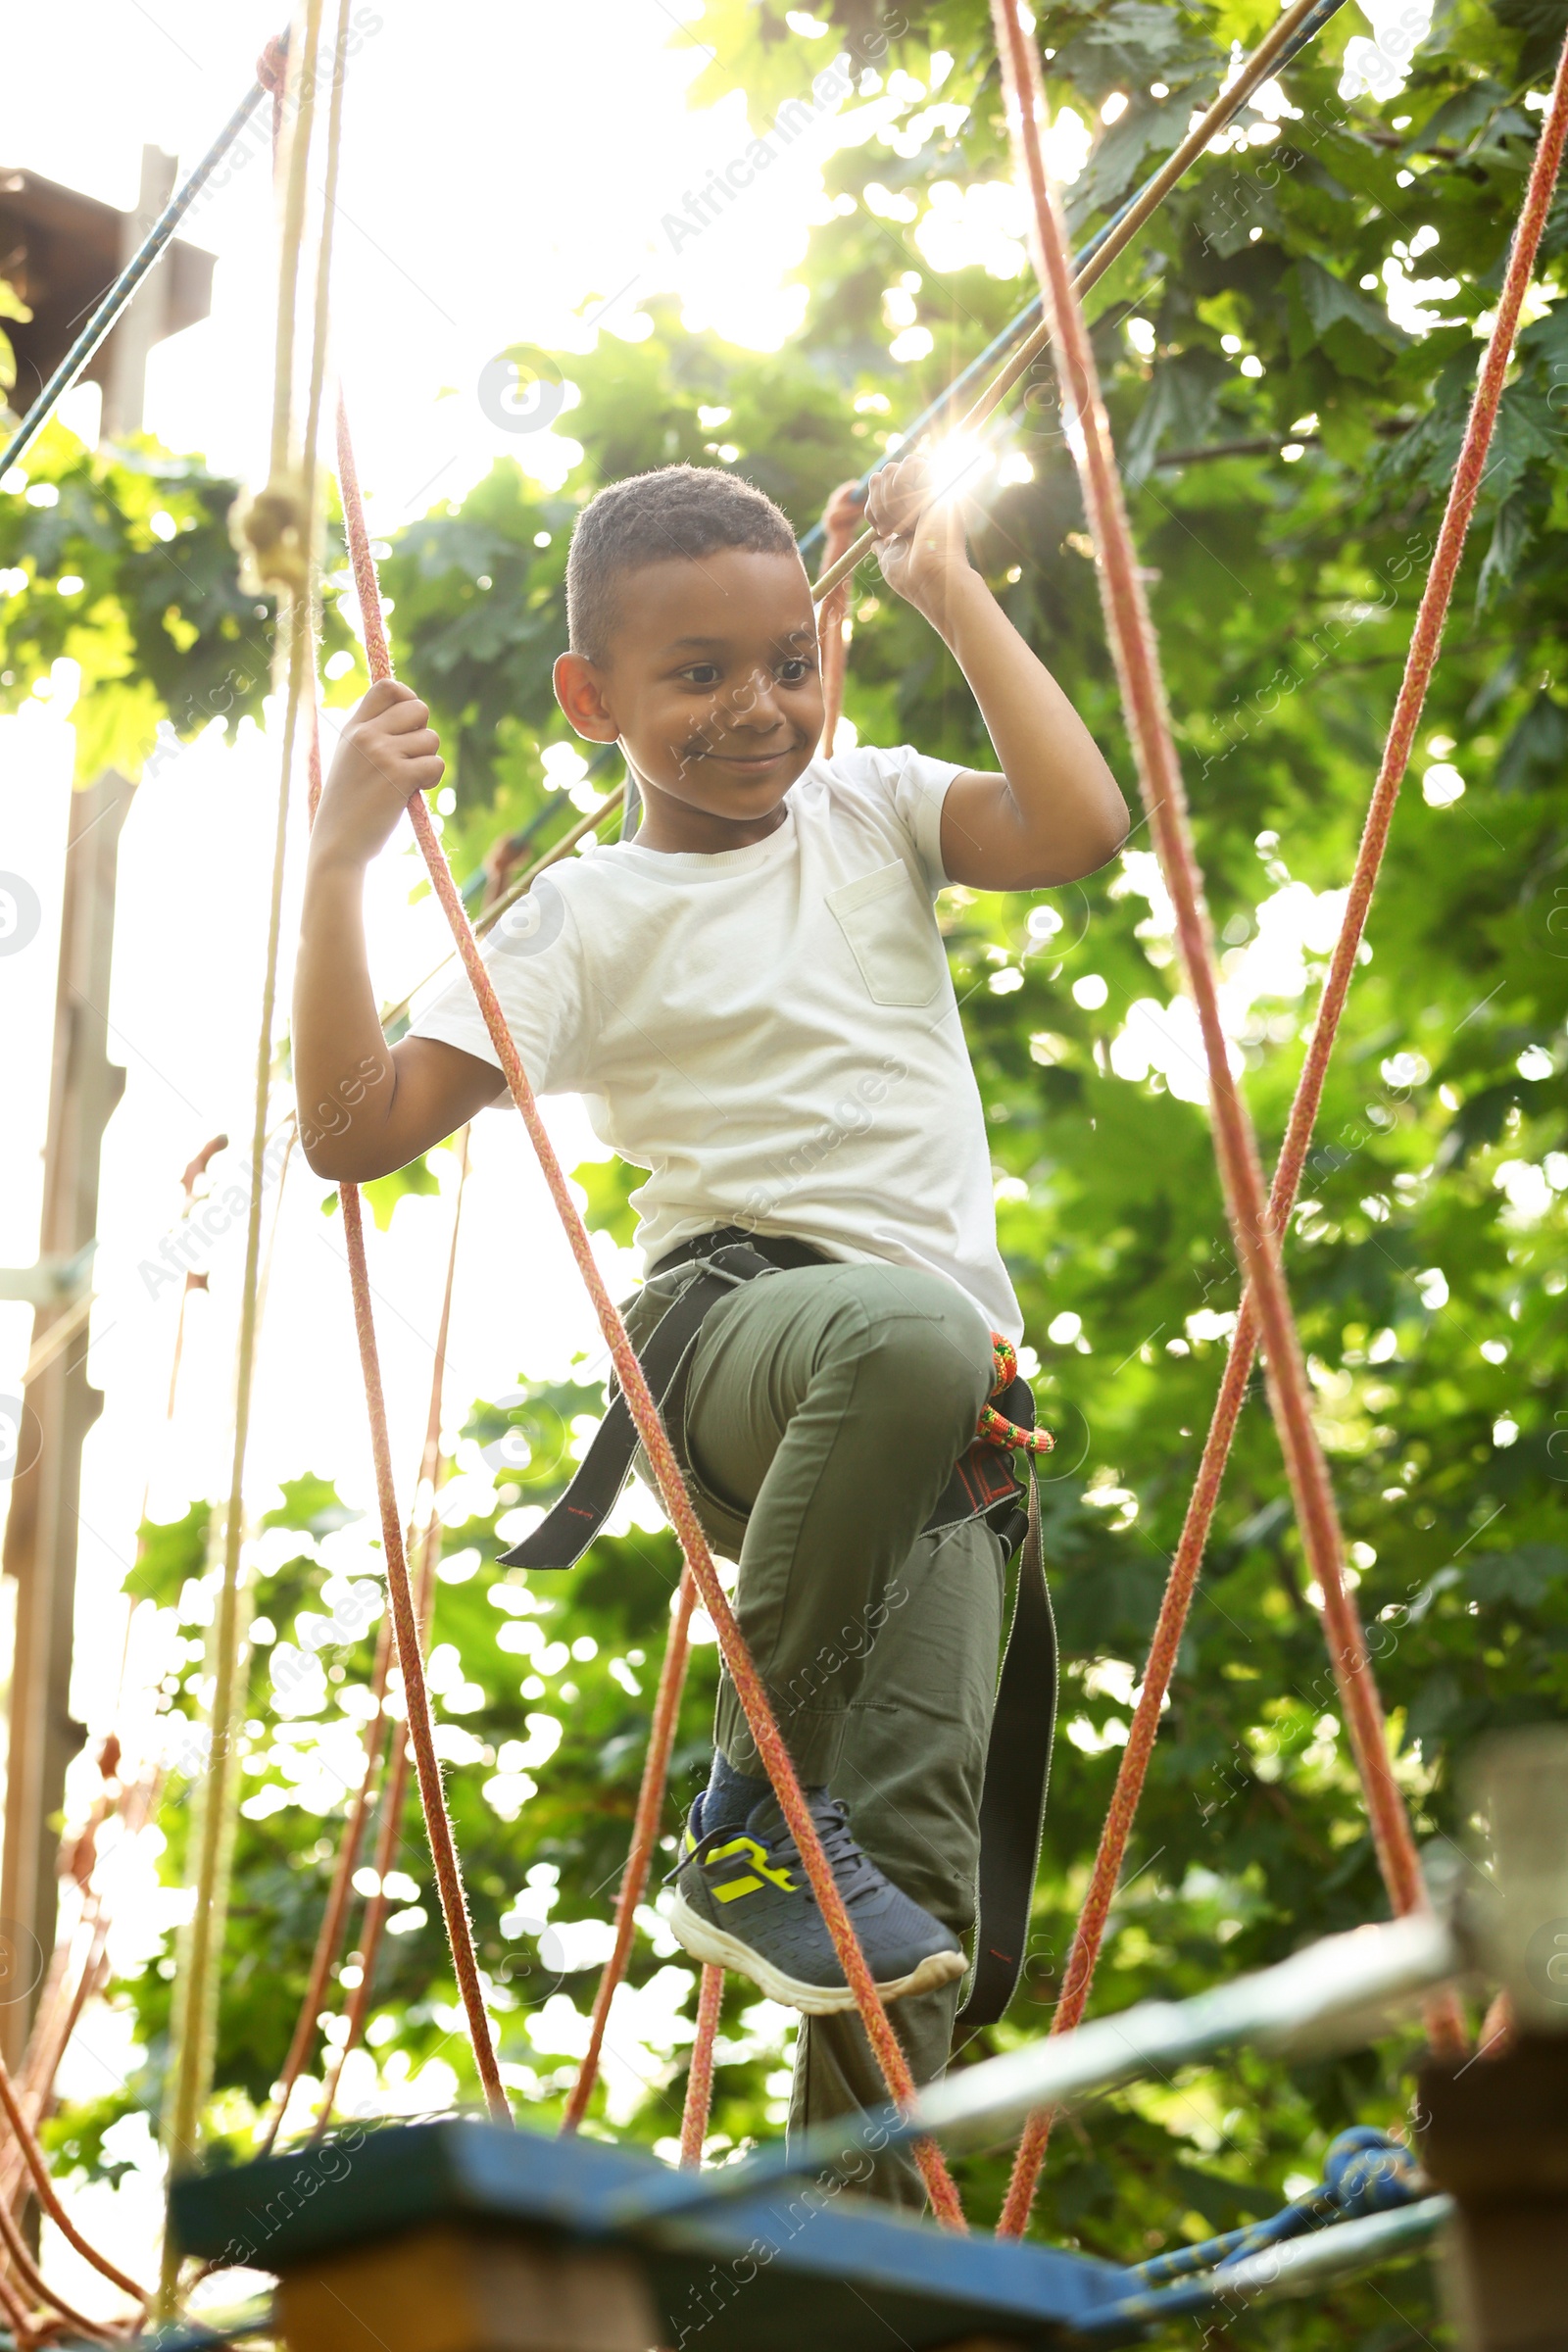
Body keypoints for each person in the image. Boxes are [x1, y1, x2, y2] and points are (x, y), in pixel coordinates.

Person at [293, 455, 1127, 2200]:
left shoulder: (875, 811)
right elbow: (354, 1125)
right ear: (590, 697)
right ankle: (747, 1811)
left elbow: (1079, 828)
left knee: (905, 1904)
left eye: (790, 665)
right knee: (900, 1337)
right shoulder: (587, 918)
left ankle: (850, 2273)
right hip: (741, 1337)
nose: (759, 709)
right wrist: (341, 861)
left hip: (953, 1429)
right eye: (698, 676)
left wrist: (948, 590)